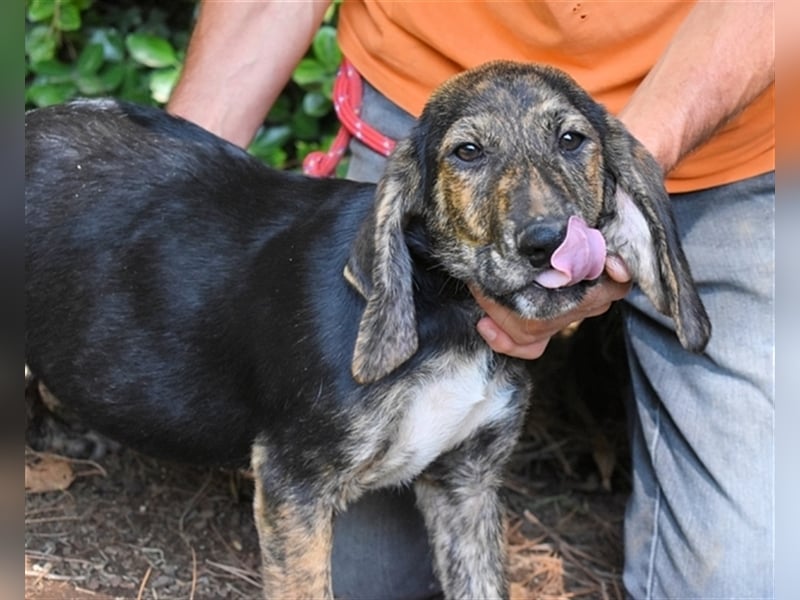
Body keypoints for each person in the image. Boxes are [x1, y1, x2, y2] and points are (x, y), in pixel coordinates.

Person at [167, 2, 775, 598]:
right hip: (422, 110)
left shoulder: (618, 166)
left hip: (735, 134)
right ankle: (512, 149)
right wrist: (173, 186)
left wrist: (622, 174)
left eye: (569, 140)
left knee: (753, 581)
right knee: (364, 578)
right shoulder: (419, 180)